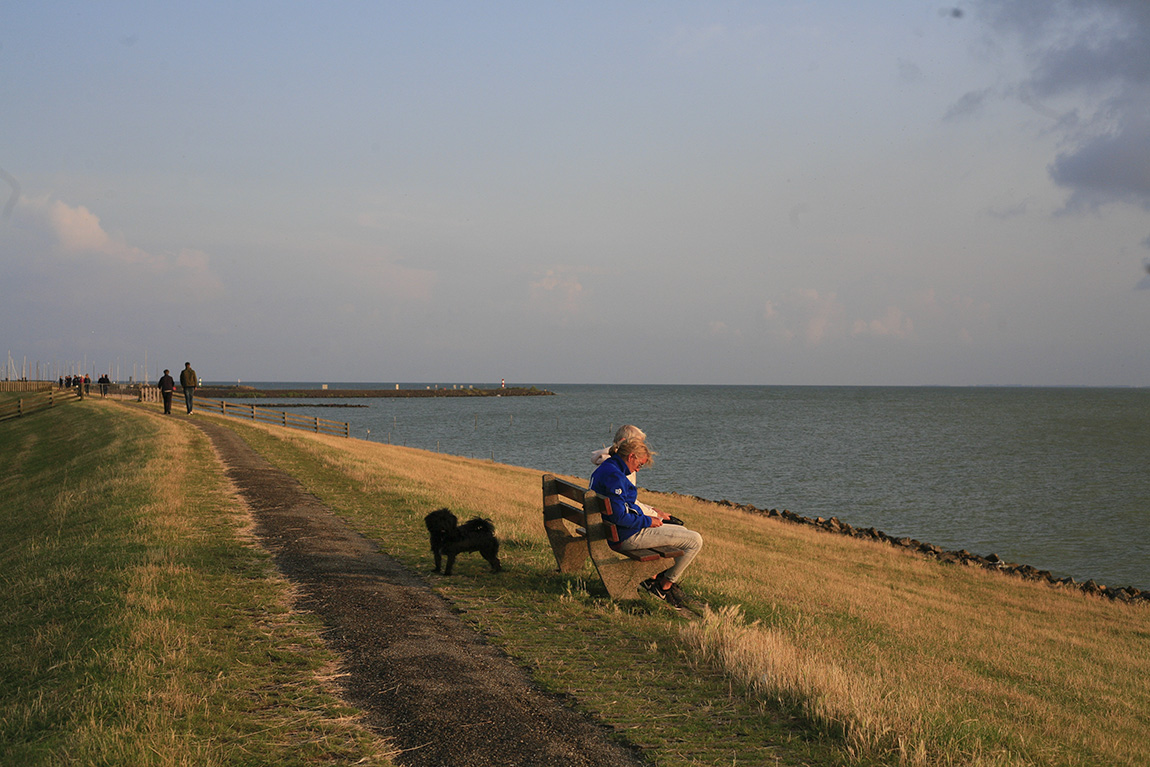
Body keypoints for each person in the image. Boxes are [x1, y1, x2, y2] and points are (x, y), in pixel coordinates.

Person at [589, 436, 703, 606]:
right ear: (631, 457)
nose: (638, 469)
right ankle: (663, 587)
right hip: (625, 536)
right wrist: (648, 521)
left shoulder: (608, 468)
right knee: (694, 540)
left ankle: (652, 578)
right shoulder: (615, 477)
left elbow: (622, 508)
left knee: (683, 532)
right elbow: (620, 517)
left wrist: (651, 514)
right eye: (639, 465)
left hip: (613, 531)